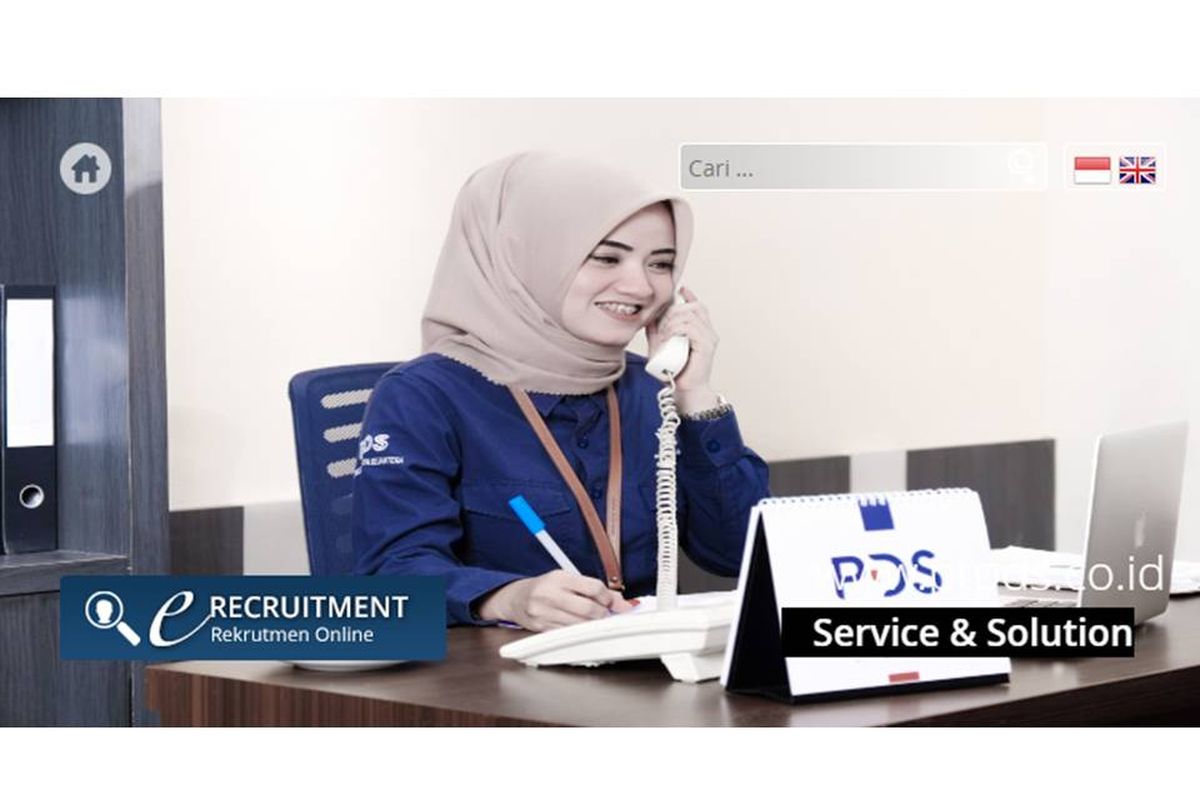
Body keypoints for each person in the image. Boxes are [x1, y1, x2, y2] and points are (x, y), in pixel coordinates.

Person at [351, 152, 770, 631]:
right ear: (526, 257)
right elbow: (390, 574)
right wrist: (505, 598)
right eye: (607, 257)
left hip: (637, 661)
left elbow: (737, 553)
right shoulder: (422, 396)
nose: (640, 287)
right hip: (494, 669)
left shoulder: (649, 390)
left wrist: (694, 395)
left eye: (661, 264)